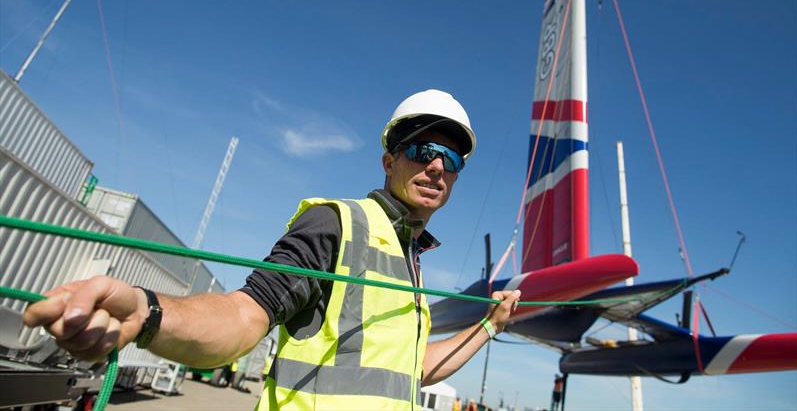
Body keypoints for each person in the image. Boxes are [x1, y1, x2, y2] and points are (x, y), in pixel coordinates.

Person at [22, 89, 521, 409]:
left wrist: (487, 328)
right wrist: (150, 314)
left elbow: (412, 369)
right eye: (423, 151)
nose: (437, 167)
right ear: (389, 161)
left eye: (451, 159)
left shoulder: (410, 261)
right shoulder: (337, 223)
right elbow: (245, 315)